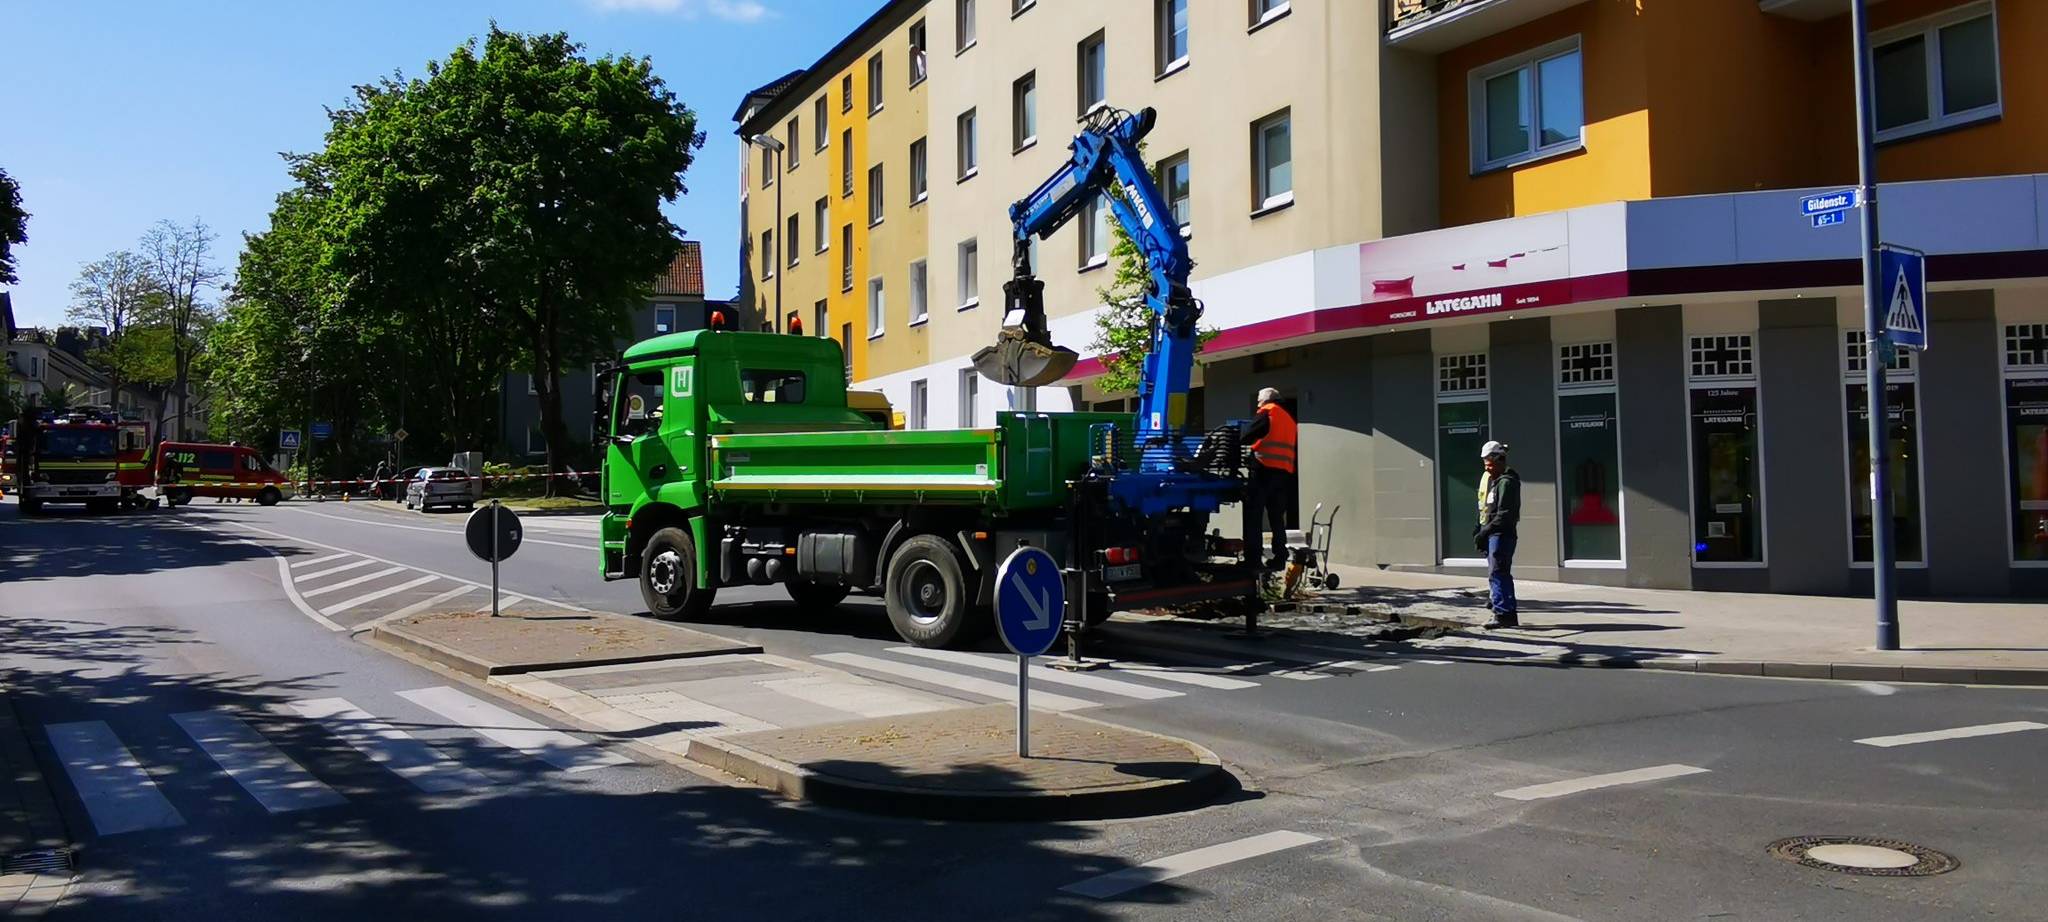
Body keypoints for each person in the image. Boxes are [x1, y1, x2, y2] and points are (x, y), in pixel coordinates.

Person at [1240, 387, 1297, 570]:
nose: (1258, 404)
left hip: (1263, 470)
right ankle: (1280, 557)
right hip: (1283, 474)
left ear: (1266, 400)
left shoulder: (1267, 412)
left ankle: (1253, 559)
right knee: (1277, 518)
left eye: (1259, 400)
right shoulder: (1289, 420)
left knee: (1254, 516)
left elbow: (1246, 436)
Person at [1474, 440, 1520, 628]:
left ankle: (1504, 614)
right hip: (1496, 534)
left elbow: (1504, 514)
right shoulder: (1496, 481)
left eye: (1490, 463)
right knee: (1498, 572)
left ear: (1500, 459)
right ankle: (1500, 607)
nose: (1487, 468)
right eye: (1485, 464)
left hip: (1501, 535)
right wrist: (1480, 528)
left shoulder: (1507, 483)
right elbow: (1489, 508)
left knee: (1498, 572)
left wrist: (1485, 531)